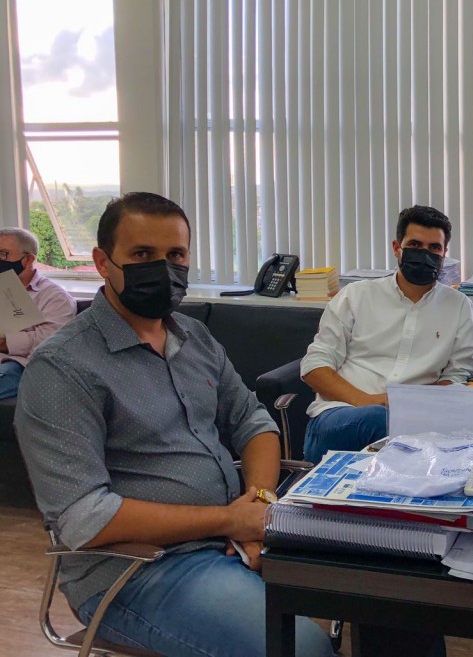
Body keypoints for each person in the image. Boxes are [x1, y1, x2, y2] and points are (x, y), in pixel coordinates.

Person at [14, 192, 333, 657]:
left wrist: (258, 505)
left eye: (176, 255)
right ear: (102, 262)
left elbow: (252, 420)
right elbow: (85, 517)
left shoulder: (193, 336)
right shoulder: (63, 367)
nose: (163, 269)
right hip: (140, 569)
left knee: (392, 587)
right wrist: (233, 519)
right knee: (301, 649)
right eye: (143, 254)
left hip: (234, 534)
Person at [301, 205, 473, 462]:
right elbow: (314, 366)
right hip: (339, 415)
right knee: (382, 421)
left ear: (444, 254)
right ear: (397, 248)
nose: (424, 254)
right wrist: (366, 400)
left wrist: (416, 405)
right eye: (415, 245)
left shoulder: (459, 306)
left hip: (413, 421)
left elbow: (456, 375)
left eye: (434, 248)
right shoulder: (356, 295)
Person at [0, 227, 76, 400]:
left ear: (28, 259)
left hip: (19, 364)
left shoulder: (55, 297)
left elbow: (50, 341)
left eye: (3, 254)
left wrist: (5, 344)